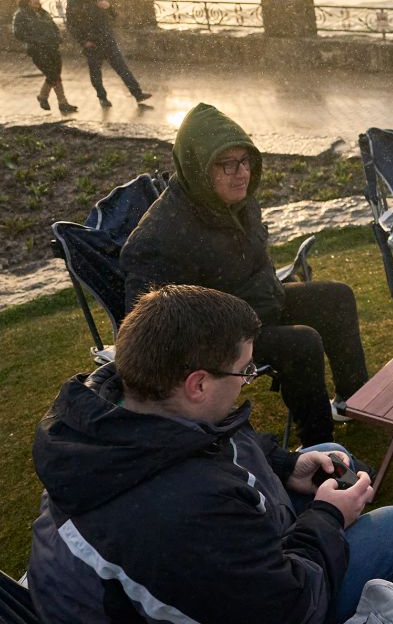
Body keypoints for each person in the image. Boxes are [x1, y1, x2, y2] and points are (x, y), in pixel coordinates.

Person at [27, 283, 393, 624]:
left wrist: (287, 467)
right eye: (244, 372)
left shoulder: (126, 410)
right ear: (198, 383)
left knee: (327, 453)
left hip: (194, 615)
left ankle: (365, 622)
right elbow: (283, 621)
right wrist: (327, 518)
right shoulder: (176, 510)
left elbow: (216, 442)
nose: (248, 382)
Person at [122, 102, 369, 444]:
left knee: (336, 296)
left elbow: (251, 263)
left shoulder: (237, 199)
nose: (242, 173)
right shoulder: (160, 235)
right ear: (199, 168)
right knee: (301, 341)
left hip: (259, 304)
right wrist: (224, 338)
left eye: (246, 161)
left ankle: (354, 402)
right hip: (219, 337)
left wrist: (274, 288)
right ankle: (319, 448)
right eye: (227, 164)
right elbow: (149, 323)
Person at [66, 0, 150, 108]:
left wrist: (109, 7)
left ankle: (137, 94)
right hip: (91, 44)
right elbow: (72, 26)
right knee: (95, 73)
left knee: (122, 68)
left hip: (107, 40)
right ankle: (102, 98)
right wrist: (84, 42)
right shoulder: (73, 4)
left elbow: (114, 16)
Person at [12, 0, 78, 113]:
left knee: (55, 75)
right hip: (37, 50)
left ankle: (52, 99)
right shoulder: (21, 14)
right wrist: (36, 40)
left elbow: (53, 27)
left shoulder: (43, 13)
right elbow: (18, 33)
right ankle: (53, 100)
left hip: (52, 48)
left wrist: (57, 38)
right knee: (52, 74)